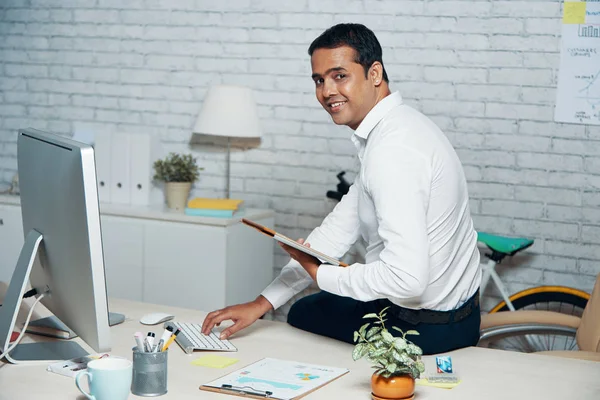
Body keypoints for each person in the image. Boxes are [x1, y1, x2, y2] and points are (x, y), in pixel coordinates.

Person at [202, 23, 481, 355]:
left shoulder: (393, 152)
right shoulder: (396, 130)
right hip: (446, 314)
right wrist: (261, 303)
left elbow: (407, 279)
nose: (327, 91)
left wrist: (322, 276)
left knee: (306, 312)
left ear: (374, 73)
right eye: (319, 80)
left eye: (339, 76)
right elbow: (335, 232)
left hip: (425, 327)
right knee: (309, 308)